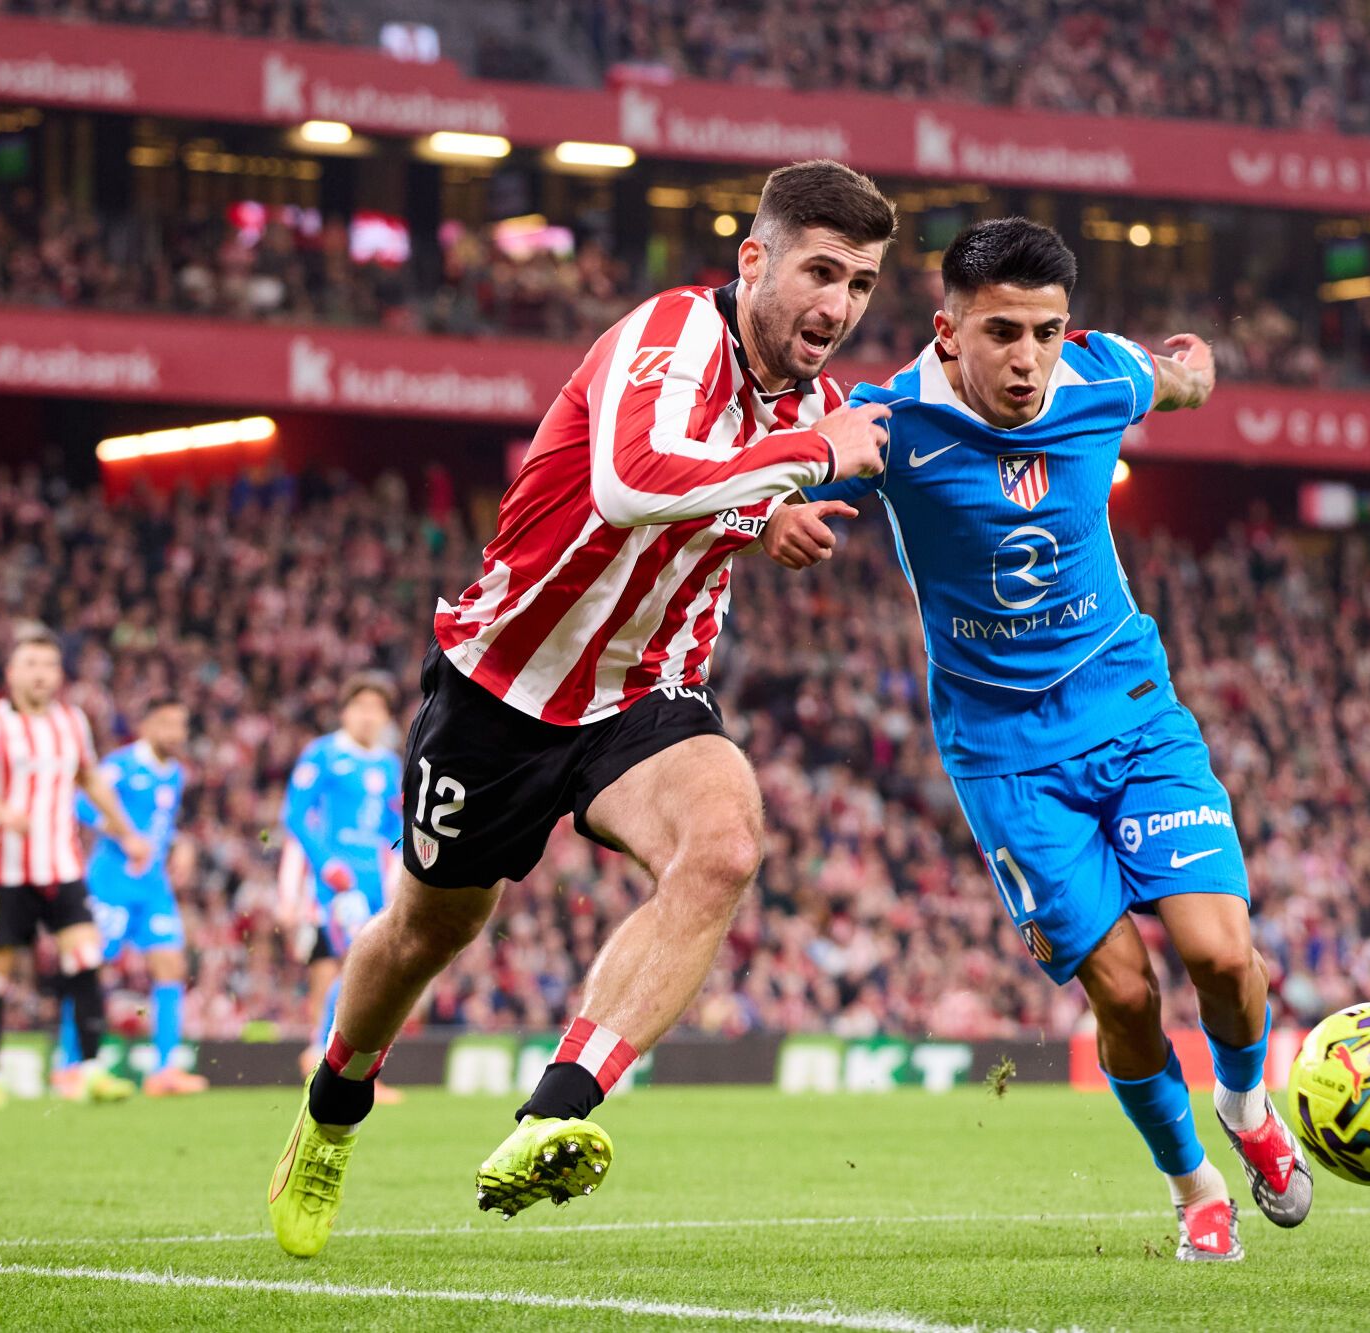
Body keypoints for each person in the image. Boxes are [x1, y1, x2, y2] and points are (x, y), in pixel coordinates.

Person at [267, 158, 897, 1258]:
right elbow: (631, 482)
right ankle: (332, 1110)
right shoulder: (672, 333)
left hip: (642, 692)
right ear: (754, 260)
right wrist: (796, 464)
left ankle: (554, 1113)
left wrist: (768, 507)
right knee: (431, 929)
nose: (837, 308)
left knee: (724, 840)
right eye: (820, 272)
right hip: (500, 686)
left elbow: (762, 475)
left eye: (860, 286)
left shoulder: (810, 401)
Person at [764, 218, 1311, 1262]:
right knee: (1120, 986)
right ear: (947, 329)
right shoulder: (886, 422)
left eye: (1045, 333)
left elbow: (1181, 379)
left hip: (1132, 710)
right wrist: (767, 516)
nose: (1026, 360)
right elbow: (768, 475)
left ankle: (1247, 1112)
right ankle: (1192, 1182)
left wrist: (1193, 365)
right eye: (1002, 333)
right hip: (1005, 755)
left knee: (1220, 954)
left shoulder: (1098, 376)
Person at [0, 624, 150, 1108]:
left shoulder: (71, 721)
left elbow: (90, 778)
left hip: (62, 864)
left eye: (49, 665)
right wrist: (3, 812)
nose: (41, 674)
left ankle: (87, 1070)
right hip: (4, 868)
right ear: (11, 672)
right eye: (30, 664)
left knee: (86, 957)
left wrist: (125, 831)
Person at [56, 696, 207, 1096]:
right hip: (111, 883)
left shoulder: (175, 773)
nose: (176, 734)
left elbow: (159, 825)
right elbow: (81, 804)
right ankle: (67, 1065)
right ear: (147, 725)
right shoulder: (121, 765)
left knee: (171, 965)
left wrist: (181, 844)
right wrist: (125, 835)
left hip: (153, 886)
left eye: (181, 726)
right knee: (91, 969)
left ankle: (164, 1071)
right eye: (168, 724)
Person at [276, 674, 404, 1095]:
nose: (368, 717)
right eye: (361, 707)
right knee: (342, 966)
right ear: (346, 711)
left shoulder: (388, 764)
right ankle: (328, 1058)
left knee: (364, 970)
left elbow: (392, 828)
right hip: (331, 882)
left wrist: (398, 877)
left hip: (372, 883)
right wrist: (324, 863)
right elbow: (295, 814)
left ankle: (330, 1058)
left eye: (377, 709)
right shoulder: (323, 754)